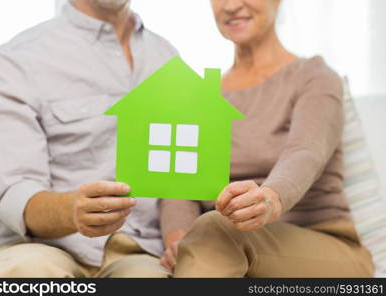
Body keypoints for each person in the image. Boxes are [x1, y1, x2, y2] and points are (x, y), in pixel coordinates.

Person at [160, 0, 374, 277]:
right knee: (213, 232)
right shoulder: (203, 94)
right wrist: (179, 240)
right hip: (220, 245)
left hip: (322, 245)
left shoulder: (314, 76)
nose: (232, 5)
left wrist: (270, 199)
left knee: (217, 228)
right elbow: (180, 182)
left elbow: (306, 151)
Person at [0, 0, 177, 278]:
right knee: (30, 272)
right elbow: (16, 192)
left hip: (137, 250)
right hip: (38, 247)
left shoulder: (167, 57)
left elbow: (177, 181)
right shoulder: (16, 60)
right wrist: (71, 210)